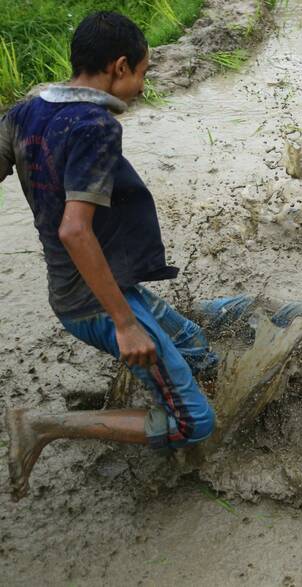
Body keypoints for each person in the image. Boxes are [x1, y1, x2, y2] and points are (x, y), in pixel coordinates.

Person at [0, 12, 246, 501]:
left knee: (195, 345)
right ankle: (44, 425)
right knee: (194, 422)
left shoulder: (25, 111)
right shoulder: (94, 125)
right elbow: (74, 230)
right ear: (119, 67)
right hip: (95, 301)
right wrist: (123, 323)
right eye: (144, 73)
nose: (141, 86)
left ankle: (159, 397)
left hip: (88, 285)